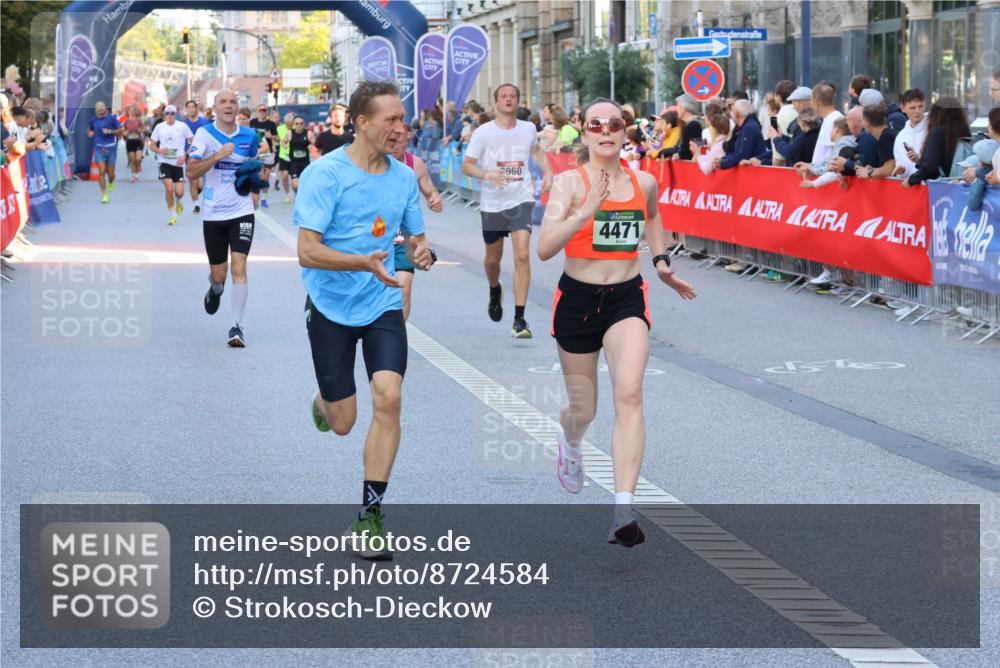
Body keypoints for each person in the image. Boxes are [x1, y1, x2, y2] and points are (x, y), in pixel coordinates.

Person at [536, 97, 696, 547]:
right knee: (583, 409)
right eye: (596, 124)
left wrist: (661, 261)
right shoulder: (569, 183)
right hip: (578, 299)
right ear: (584, 133)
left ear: (625, 132)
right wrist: (584, 212)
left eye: (614, 124)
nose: (606, 131)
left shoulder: (643, 181)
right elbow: (545, 247)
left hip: (626, 298)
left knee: (629, 392)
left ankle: (624, 509)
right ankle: (570, 444)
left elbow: (653, 217)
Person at [295, 80, 435, 560]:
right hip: (330, 305)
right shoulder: (326, 174)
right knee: (343, 422)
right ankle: (324, 399)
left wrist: (422, 252)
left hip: (381, 304)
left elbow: (415, 239)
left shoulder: (402, 177)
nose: (402, 127)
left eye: (403, 118)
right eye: (391, 119)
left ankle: (370, 514)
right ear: (361, 122)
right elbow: (306, 250)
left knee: (389, 396)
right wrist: (362, 262)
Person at [462, 83, 553, 339]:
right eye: (504, 96)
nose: (509, 100)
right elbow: (467, 166)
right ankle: (494, 289)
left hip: (520, 199)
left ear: (518, 101)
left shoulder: (528, 129)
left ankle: (520, 319)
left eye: (513, 96)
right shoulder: (483, 132)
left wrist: (548, 171)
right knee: (493, 260)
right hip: (493, 203)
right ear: (496, 103)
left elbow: (536, 150)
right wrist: (486, 173)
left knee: (522, 255)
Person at [185, 89, 259, 348]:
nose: (228, 106)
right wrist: (217, 156)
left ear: (238, 108)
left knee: (240, 265)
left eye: (233, 102)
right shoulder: (205, 134)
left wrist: (256, 188)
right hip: (214, 214)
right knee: (220, 274)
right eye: (223, 102)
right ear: (214, 108)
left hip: (242, 210)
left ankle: (236, 326)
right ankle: (215, 289)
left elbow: (252, 166)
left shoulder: (249, 135)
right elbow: (190, 172)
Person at [389, 124, 444, 319]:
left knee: (403, 289)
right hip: (376, 234)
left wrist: (434, 198)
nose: (395, 146)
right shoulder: (374, 162)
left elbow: (430, 189)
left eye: (400, 142)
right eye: (392, 141)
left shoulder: (415, 164)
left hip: (404, 236)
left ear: (407, 140)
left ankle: (396, 338)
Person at [905, 97, 971, 186]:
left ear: (936, 113)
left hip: (941, 187)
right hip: (962, 184)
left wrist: (911, 180)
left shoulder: (938, 132)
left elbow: (930, 166)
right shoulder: (965, 131)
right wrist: (919, 161)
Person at [148, 104, 193, 225]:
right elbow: (151, 144)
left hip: (178, 163)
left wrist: (185, 156)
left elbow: (193, 142)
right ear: (164, 115)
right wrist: (158, 150)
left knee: (179, 192)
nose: (170, 116)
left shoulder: (183, 126)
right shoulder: (159, 127)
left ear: (176, 115)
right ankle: (172, 215)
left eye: (172, 113)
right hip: (164, 161)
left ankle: (178, 201)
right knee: (169, 188)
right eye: (167, 113)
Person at [715, 99, 768, 169]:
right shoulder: (744, 126)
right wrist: (723, 159)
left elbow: (743, 154)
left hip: (752, 172)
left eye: (732, 111)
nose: (731, 114)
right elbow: (735, 150)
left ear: (737, 113)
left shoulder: (748, 127)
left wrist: (723, 162)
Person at [86, 101, 122, 204]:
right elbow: (89, 129)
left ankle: (111, 181)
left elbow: (120, 130)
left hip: (111, 148)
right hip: (99, 148)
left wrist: (110, 131)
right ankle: (104, 194)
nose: (102, 110)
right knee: (101, 171)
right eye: (99, 109)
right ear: (96, 110)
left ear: (105, 109)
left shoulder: (112, 118)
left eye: (103, 108)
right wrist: (90, 133)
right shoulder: (93, 120)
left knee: (111, 174)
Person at [181, 100, 211, 213]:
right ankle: (196, 204)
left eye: (193, 107)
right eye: (189, 107)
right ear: (186, 110)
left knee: (200, 185)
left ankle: (196, 194)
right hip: (189, 156)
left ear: (196, 109)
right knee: (193, 181)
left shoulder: (205, 122)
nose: (191, 109)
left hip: (203, 155)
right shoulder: (182, 123)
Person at [853, 105, 897, 180]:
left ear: (866, 123)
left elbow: (889, 169)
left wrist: (869, 172)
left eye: (863, 120)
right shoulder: (888, 134)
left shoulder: (886, 137)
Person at [892, 89, 928, 179]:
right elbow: (901, 162)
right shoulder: (901, 136)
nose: (917, 111)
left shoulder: (933, 128)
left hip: (929, 186)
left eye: (920, 106)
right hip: (910, 187)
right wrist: (902, 169)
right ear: (903, 108)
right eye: (912, 108)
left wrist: (919, 161)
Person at [249, 104, 278, 207]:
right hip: (255, 151)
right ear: (257, 111)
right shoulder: (252, 122)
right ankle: (253, 195)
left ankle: (264, 198)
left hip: (267, 153)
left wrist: (271, 136)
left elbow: (277, 138)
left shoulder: (271, 124)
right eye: (260, 110)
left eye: (264, 110)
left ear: (266, 112)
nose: (262, 111)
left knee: (265, 176)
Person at [660, 94, 702, 161]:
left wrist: (680, 154)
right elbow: (681, 148)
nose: (676, 110)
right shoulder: (689, 124)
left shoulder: (693, 125)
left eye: (678, 106)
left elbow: (689, 150)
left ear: (684, 108)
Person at [283, 115, 314, 201]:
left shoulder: (309, 133)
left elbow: (316, 146)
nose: (299, 125)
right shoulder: (290, 133)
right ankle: (297, 193)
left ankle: (302, 195)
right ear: (293, 124)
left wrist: (312, 146)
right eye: (297, 123)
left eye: (301, 123)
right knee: (296, 185)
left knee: (306, 183)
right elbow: (284, 142)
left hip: (305, 162)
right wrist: (285, 145)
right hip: (294, 162)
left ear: (304, 124)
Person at [122, 105, 146, 182]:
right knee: (133, 160)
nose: (132, 111)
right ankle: (134, 175)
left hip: (138, 141)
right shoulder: (126, 121)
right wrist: (125, 133)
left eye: (134, 110)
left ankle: (138, 168)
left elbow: (143, 129)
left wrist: (140, 130)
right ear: (128, 112)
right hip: (130, 142)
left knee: (138, 159)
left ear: (136, 112)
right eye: (131, 110)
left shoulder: (138, 120)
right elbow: (123, 131)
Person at [276, 112, 295, 201]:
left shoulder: (295, 128)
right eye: (288, 124)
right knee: (285, 176)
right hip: (283, 155)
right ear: (285, 122)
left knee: (295, 177)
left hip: (294, 156)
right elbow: (275, 138)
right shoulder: (279, 129)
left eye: (291, 124)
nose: (290, 125)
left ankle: (297, 193)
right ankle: (287, 194)